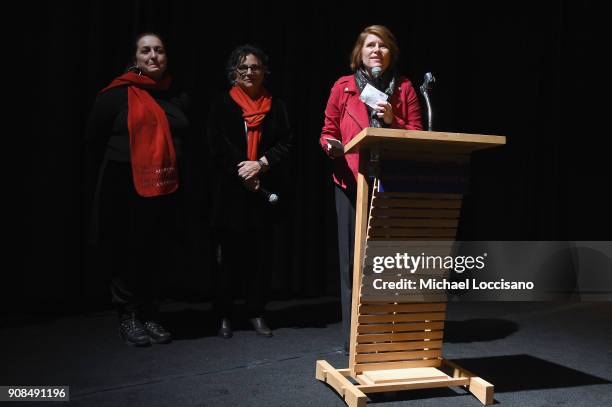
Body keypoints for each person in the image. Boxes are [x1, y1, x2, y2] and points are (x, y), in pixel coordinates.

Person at [319, 25, 423, 354]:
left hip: (394, 184)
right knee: (352, 264)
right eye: (370, 45)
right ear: (359, 52)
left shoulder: (404, 88)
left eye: (382, 45)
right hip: (351, 182)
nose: (376, 50)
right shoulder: (343, 86)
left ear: (391, 53)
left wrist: (393, 120)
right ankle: (354, 339)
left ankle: (388, 335)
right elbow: (327, 130)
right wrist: (330, 146)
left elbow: (418, 135)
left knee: (388, 262)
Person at [85, 33, 190, 346]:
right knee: (127, 251)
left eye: (159, 50)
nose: (153, 56)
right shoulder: (114, 96)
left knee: (157, 252)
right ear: (134, 58)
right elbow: (92, 141)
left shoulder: (175, 95)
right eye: (146, 51)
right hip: (124, 187)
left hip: (166, 186)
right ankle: (128, 316)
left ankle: (150, 313)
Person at [207, 45, 292, 339]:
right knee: (227, 260)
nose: (249, 72)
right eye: (243, 68)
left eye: (255, 67)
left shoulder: (276, 105)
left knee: (260, 259)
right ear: (234, 73)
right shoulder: (222, 104)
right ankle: (224, 316)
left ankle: (256, 313)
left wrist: (262, 165)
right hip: (230, 193)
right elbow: (216, 145)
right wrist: (242, 170)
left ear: (263, 71)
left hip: (263, 191)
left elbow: (287, 143)